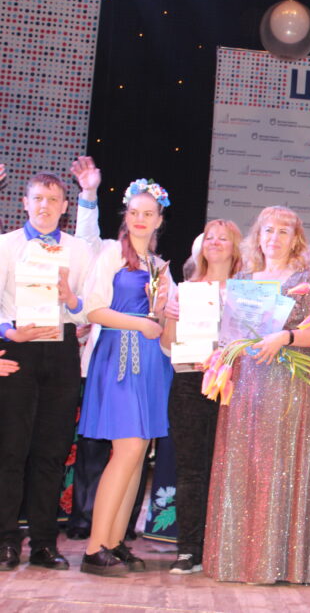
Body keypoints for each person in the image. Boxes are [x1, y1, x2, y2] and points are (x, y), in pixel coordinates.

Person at [204, 206, 310, 584]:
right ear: (258, 237)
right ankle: (240, 560)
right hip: (246, 386)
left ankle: (280, 562)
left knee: (281, 468)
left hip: (288, 385)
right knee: (246, 466)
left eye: (283, 232)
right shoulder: (243, 280)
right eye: (268, 231)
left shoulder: (306, 279)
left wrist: (284, 337)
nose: (274, 238)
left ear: (295, 240)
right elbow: (229, 334)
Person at [77, 179, 174, 575]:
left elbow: (162, 323)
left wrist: (164, 314)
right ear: (126, 215)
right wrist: (140, 323)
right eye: (134, 212)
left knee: (137, 455)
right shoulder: (110, 256)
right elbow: (93, 310)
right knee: (128, 451)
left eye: (147, 213)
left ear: (159, 220)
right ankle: (94, 547)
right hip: (120, 355)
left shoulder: (159, 266)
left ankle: (115, 542)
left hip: (150, 361)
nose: (139, 219)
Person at [0, 171, 93, 572]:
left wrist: (70, 298)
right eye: (38, 198)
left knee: (52, 452)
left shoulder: (79, 250)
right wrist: (9, 333)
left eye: (53, 199)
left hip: (61, 350)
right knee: (10, 449)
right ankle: (6, 540)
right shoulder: (6, 245)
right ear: (25, 202)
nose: (45, 206)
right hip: (17, 348)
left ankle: (43, 542)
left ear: (65, 207)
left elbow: (88, 310)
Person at [159, 219, 243, 575]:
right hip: (190, 382)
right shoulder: (185, 290)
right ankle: (189, 548)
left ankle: (221, 547)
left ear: (236, 248)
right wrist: (170, 317)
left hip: (235, 386)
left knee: (230, 470)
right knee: (191, 469)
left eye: (224, 238)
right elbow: (168, 346)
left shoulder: (247, 290)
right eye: (210, 237)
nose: (216, 243)